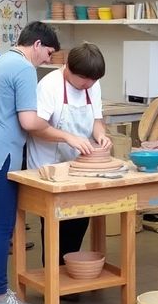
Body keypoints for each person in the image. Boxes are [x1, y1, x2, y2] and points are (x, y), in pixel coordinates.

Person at [0, 22, 93, 304]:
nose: (47, 59)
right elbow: (29, 122)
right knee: (3, 226)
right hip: (1, 153)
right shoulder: (23, 68)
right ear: (36, 44)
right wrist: (68, 136)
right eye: (48, 52)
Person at [26, 43, 110, 276]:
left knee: (80, 218)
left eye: (93, 80)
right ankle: (53, 277)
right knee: (55, 225)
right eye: (84, 79)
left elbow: (97, 118)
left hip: (79, 165)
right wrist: (67, 137)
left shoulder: (93, 83)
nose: (89, 85)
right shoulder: (49, 86)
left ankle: (71, 273)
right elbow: (36, 128)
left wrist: (101, 135)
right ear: (68, 68)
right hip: (49, 167)